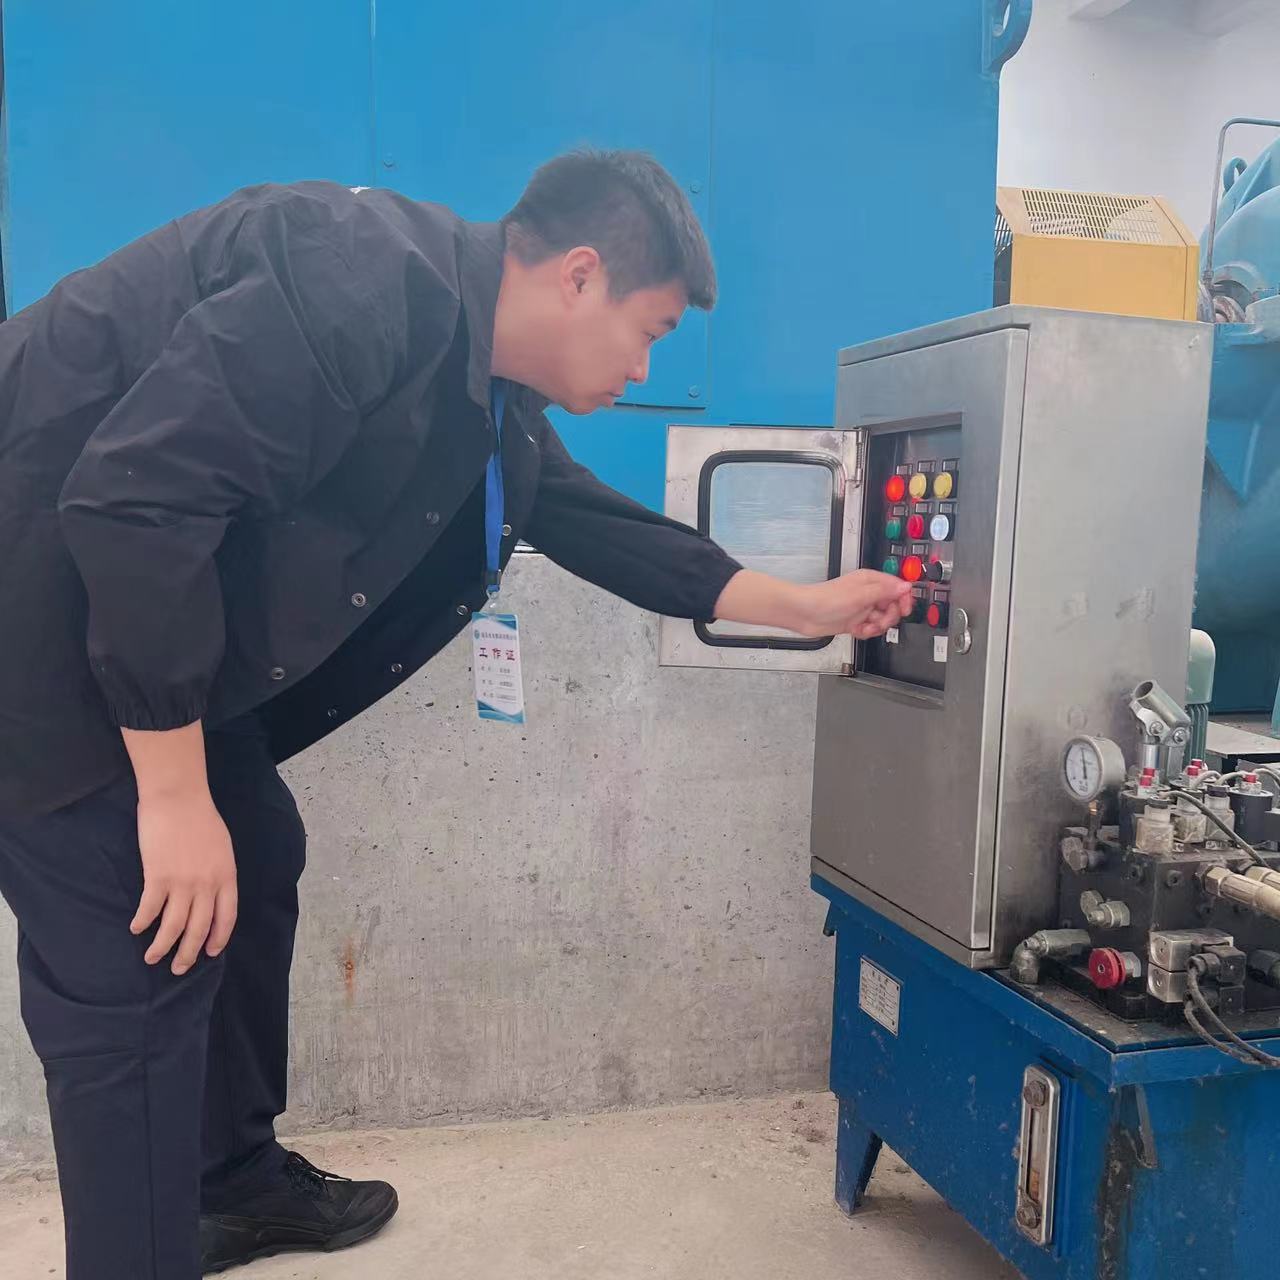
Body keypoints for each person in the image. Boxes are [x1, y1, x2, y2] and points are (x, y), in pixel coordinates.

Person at [0, 149, 911, 1278]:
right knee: (142, 952)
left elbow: (598, 526)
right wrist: (174, 796)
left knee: (255, 846)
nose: (644, 367)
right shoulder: (355, 279)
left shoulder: (491, 401)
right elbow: (138, 502)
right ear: (579, 275)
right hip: (40, 630)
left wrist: (804, 605)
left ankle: (228, 1181)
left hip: (122, 620)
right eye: (650, 331)